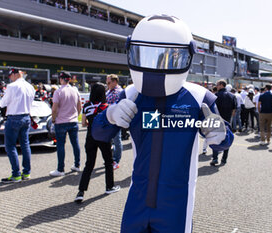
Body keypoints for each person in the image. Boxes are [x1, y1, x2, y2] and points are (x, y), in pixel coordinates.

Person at [92, 15, 233, 233]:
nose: (160, 63)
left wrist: (221, 135)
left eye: (169, 57)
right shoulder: (130, 94)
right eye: (150, 54)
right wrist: (109, 115)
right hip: (138, 197)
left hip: (177, 202)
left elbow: (222, 140)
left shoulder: (198, 97)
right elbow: (98, 134)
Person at [75, 83, 120, 203]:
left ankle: (81, 192)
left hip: (90, 137)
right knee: (108, 162)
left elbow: (83, 123)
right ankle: (109, 187)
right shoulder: (107, 106)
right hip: (104, 138)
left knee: (89, 164)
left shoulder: (87, 106)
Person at [0, 68, 35, 183]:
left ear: (16, 75)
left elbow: (3, 103)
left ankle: (16, 174)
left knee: (10, 146)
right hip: (26, 117)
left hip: (14, 117)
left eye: (11, 76)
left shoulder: (12, 87)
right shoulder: (30, 87)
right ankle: (26, 172)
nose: (10, 78)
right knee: (25, 145)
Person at [50, 72, 82, 177]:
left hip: (61, 121)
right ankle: (77, 164)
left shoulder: (58, 92)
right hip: (73, 121)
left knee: (60, 145)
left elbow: (54, 108)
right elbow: (79, 106)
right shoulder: (75, 90)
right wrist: (76, 116)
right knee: (75, 143)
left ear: (61, 79)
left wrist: (54, 119)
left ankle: (60, 169)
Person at [210, 79, 236, 166]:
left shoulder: (215, 95)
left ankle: (215, 158)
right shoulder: (232, 96)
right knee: (227, 138)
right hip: (227, 121)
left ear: (221, 85)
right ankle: (224, 159)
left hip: (217, 120)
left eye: (217, 85)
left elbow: (212, 109)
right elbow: (234, 109)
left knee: (215, 138)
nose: (216, 86)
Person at [106, 74, 123, 170]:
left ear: (114, 82)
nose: (107, 84)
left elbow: (117, 106)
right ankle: (112, 159)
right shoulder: (109, 91)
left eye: (109, 82)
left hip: (116, 119)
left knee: (117, 140)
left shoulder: (119, 92)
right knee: (111, 140)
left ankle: (116, 160)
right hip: (109, 119)